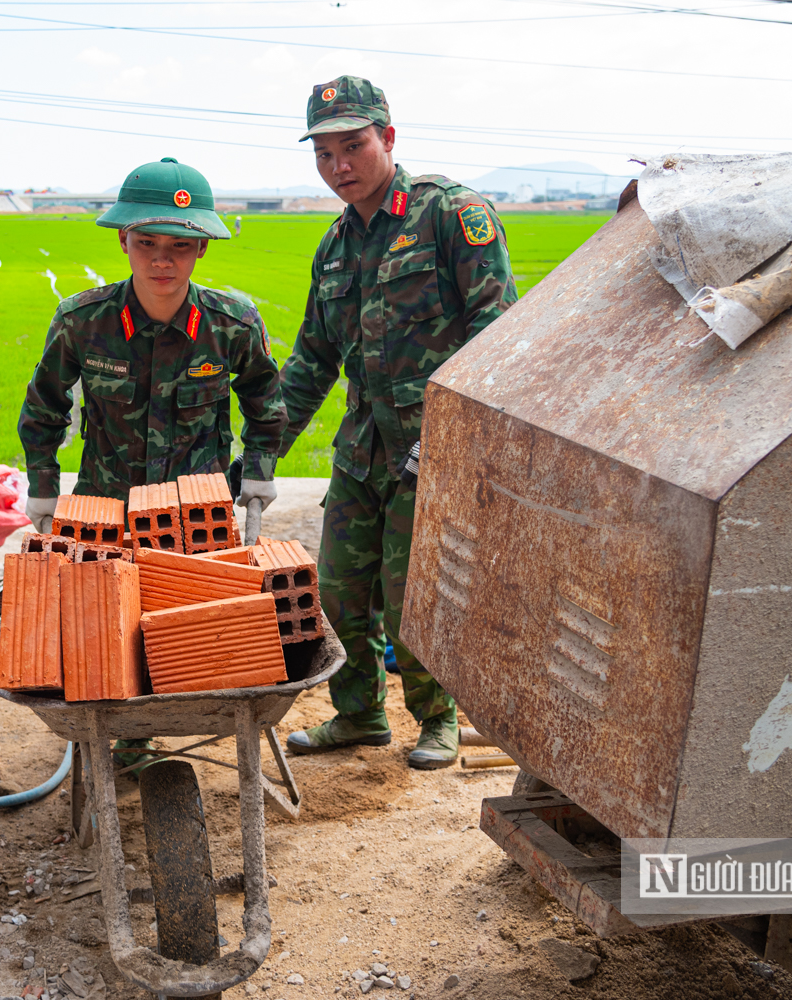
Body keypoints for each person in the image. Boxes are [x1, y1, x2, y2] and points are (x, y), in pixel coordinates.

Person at [279, 77, 518, 770]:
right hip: (362, 451)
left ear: (388, 138)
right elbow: (312, 361)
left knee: (416, 594)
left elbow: (495, 335)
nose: (339, 166)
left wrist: (449, 438)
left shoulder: (450, 215)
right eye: (324, 154)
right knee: (339, 590)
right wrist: (262, 452)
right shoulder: (335, 246)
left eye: (352, 146)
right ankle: (357, 715)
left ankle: (438, 719)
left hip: (433, 447)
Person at [19, 158, 286, 772]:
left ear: (200, 249)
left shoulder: (231, 324)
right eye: (147, 243)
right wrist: (42, 491)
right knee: (109, 628)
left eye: (180, 245)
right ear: (123, 241)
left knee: (190, 625)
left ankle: (190, 708)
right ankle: (128, 732)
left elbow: (266, 405)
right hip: (106, 506)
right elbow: (43, 410)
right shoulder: (83, 323)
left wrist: (257, 475)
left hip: (197, 515)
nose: (161, 260)